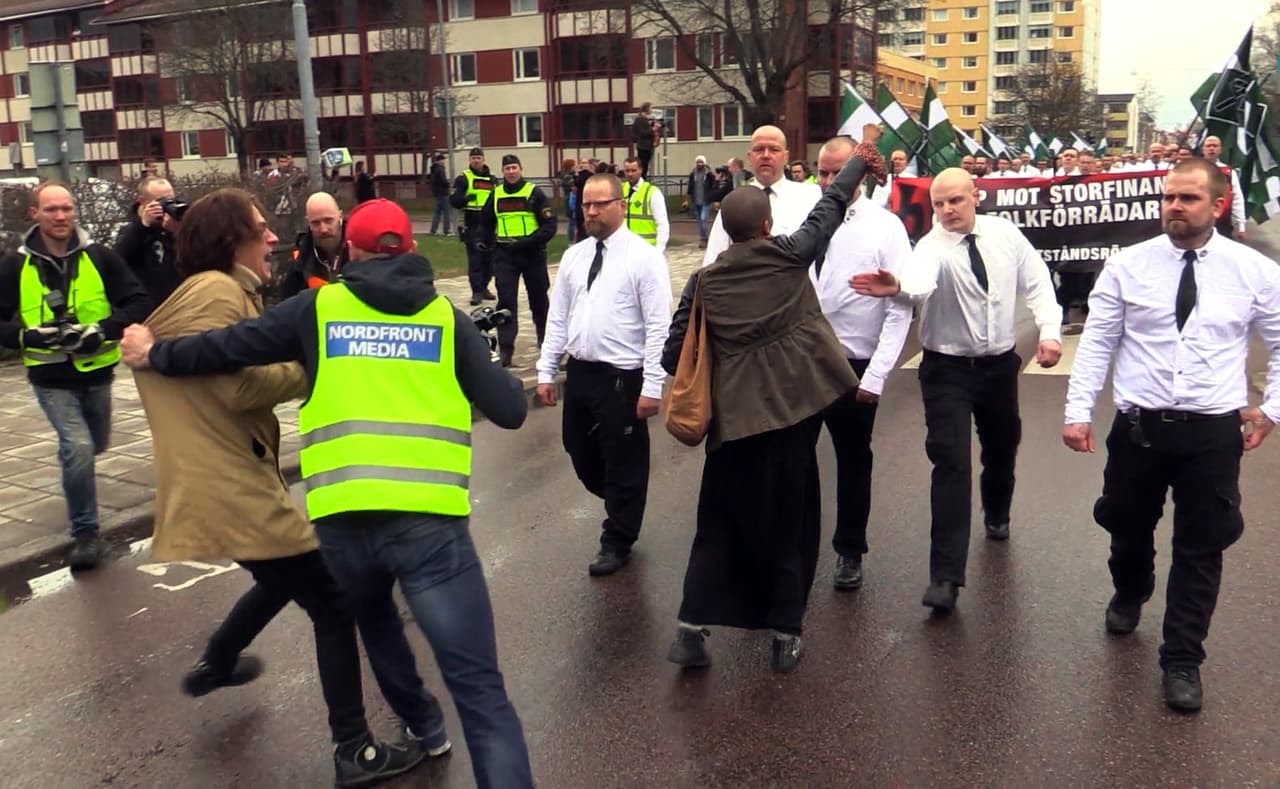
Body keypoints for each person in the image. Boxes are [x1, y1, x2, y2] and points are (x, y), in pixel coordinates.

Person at [119, 198, 535, 788]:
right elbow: (512, 411)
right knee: (482, 693)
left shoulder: (317, 308)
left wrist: (154, 353)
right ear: (411, 250)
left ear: (352, 250)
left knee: (371, 620)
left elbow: (226, 348)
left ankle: (423, 725)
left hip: (345, 525)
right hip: (429, 529)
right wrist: (482, 365)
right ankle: (434, 741)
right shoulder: (446, 319)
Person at [1062, 158, 1280, 713]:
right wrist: (1077, 410)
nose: (1174, 208)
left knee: (1202, 545)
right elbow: (1098, 341)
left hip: (1211, 433)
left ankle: (1182, 658)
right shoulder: (1128, 266)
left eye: (1187, 199)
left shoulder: (1252, 272)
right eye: (1168, 198)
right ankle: (1131, 588)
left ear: (1218, 205)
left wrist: (1272, 411)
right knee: (1126, 525)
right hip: (1140, 430)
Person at [662, 146, 885, 673]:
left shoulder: (704, 282)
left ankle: (690, 632)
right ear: (765, 224)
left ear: (725, 229)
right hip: (792, 416)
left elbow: (675, 353)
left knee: (717, 525)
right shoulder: (788, 255)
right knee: (791, 523)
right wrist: (856, 164)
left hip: (733, 426)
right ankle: (785, 636)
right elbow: (828, 209)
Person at [851, 168, 1062, 613]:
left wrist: (1049, 332)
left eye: (955, 201)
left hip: (999, 367)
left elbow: (1038, 283)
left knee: (1002, 447)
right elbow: (919, 284)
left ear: (975, 196)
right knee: (950, 462)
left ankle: (998, 509)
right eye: (938, 204)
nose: (946, 211)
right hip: (946, 369)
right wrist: (898, 289)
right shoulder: (930, 248)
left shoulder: (1006, 236)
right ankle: (945, 576)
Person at [0, 182, 151, 570]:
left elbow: (138, 300)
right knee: (80, 448)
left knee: (94, 445)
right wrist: (24, 336)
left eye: (66, 208)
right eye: (51, 210)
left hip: (97, 372)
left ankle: (74, 464)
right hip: (49, 377)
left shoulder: (99, 257)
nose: (61, 216)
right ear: (34, 214)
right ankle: (86, 534)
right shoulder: (15, 265)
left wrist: (102, 329)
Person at [535, 174, 671, 576]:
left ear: (621, 205)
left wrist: (652, 386)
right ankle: (621, 500)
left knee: (624, 458)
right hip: (580, 373)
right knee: (578, 448)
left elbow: (659, 325)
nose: (590, 212)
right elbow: (557, 317)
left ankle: (618, 538)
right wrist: (546, 371)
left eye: (599, 204)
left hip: (621, 376)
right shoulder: (575, 257)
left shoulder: (643, 258)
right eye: (586, 204)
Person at [809, 138, 913, 591]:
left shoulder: (886, 227)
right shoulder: (809, 221)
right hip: (806, 363)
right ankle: (794, 545)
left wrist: (876, 375)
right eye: (822, 172)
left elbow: (900, 305)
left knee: (852, 461)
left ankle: (850, 550)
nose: (829, 181)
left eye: (837, 172)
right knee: (792, 460)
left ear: (859, 173)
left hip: (856, 365)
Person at [702, 125, 822, 266]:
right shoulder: (735, 201)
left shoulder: (809, 197)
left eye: (774, 149)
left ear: (786, 157)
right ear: (750, 157)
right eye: (759, 149)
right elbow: (714, 258)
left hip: (796, 285)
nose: (766, 155)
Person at [480, 154, 557, 367]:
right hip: (505, 256)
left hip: (532, 254)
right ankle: (506, 349)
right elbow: (486, 223)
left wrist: (527, 242)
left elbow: (550, 226)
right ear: (503, 172)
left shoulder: (534, 193)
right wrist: (485, 244)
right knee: (506, 303)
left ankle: (546, 342)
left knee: (539, 300)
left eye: (514, 168)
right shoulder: (495, 195)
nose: (511, 172)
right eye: (507, 169)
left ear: (521, 169)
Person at [113, 176, 183, 306]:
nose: (168, 205)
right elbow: (119, 258)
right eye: (161, 201)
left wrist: (177, 231)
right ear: (143, 202)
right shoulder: (131, 230)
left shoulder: (176, 226)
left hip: (179, 303)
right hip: (148, 307)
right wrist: (144, 226)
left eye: (171, 199)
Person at [449, 147, 497, 306]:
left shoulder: (492, 179)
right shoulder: (463, 178)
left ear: (483, 159)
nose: (476, 160)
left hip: (489, 224)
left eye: (479, 157)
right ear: (469, 160)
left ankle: (484, 287)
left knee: (489, 260)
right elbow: (454, 201)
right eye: (473, 158)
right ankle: (476, 291)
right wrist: (466, 199)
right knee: (475, 259)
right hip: (472, 223)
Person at [279, 192, 347, 299]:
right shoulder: (299, 264)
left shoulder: (361, 250)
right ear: (308, 223)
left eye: (328, 220)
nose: (323, 229)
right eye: (316, 223)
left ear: (340, 217)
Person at [1200, 135, 1248, 241]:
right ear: (1203, 149)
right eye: (1208, 146)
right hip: (1199, 224)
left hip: (1223, 225)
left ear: (1220, 150)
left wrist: (1241, 226)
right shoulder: (1195, 170)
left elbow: (1237, 199)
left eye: (1215, 146)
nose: (1211, 148)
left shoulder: (1229, 172)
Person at [621, 156, 670, 254]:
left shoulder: (652, 193)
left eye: (633, 170)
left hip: (646, 250)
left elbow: (662, 223)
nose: (630, 174)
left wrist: (659, 249)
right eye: (627, 171)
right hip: (624, 249)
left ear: (640, 170)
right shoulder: (620, 190)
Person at [684, 155, 716, 248]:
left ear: (704, 163)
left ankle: (704, 239)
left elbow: (713, 187)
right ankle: (704, 237)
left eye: (701, 162)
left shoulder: (709, 174)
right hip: (696, 200)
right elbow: (690, 187)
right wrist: (687, 200)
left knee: (703, 219)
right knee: (699, 221)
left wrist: (714, 199)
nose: (699, 164)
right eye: (698, 162)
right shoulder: (693, 174)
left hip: (706, 200)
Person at [428, 153, 451, 235]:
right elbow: (443, 180)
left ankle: (433, 230)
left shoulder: (433, 169)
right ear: (440, 160)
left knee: (437, 212)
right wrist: (448, 184)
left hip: (437, 193)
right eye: (443, 160)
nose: (444, 162)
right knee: (447, 212)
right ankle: (446, 230)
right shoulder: (440, 169)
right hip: (443, 193)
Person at [632, 103, 655, 177]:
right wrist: (652, 130)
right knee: (643, 167)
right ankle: (641, 181)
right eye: (651, 108)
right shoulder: (640, 119)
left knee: (645, 167)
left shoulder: (645, 119)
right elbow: (642, 133)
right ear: (647, 109)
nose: (651, 110)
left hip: (647, 147)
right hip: (643, 147)